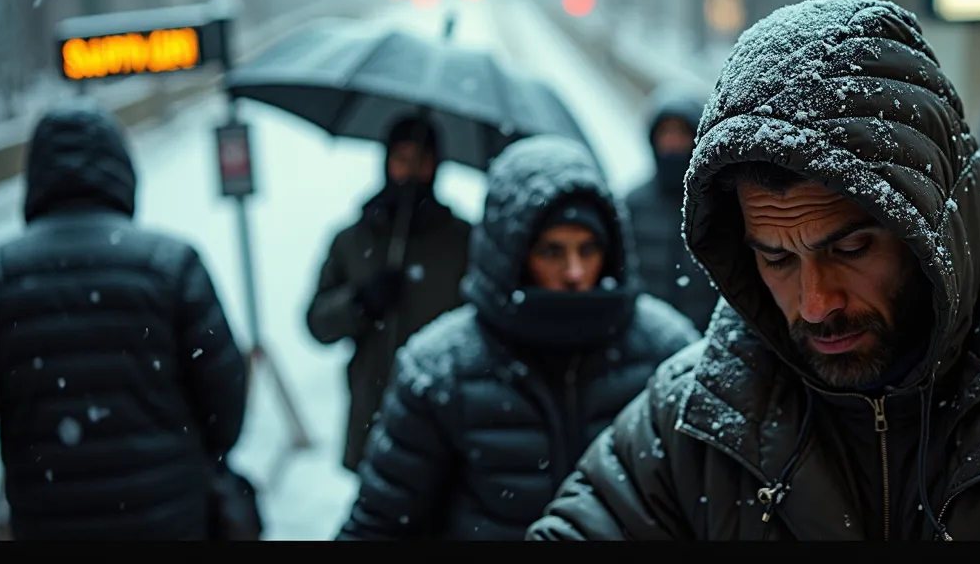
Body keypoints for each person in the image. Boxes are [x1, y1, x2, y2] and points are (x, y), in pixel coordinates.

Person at [527, 0, 980, 541]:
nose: (815, 304)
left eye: (850, 249)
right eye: (777, 259)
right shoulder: (696, 416)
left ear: (932, 220)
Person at [336, 134, 698, 540]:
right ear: (513, 256)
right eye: (552, 252)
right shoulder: (444, 370)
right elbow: (380, 523)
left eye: (589, 249)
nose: (576, 271)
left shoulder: (666, 353)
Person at [0, 100, 248, 540]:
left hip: (49, 525)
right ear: (123, 171)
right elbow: (226, 409)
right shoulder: (172, 266)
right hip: (168, 519)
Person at [306, 113, 472, 473]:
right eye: (401, 159)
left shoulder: (465, 242)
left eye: (422, 161)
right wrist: (360, 302)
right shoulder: (352, 240)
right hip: (374, 417)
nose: (410, 172)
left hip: (446, 422)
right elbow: (317, 323)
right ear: (385, 162)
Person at [624, 84, 720, 333]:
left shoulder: (720, 204)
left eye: (681, 133)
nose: (672, 142)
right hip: (648, 338)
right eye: (665, 132)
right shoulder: (631, 205)